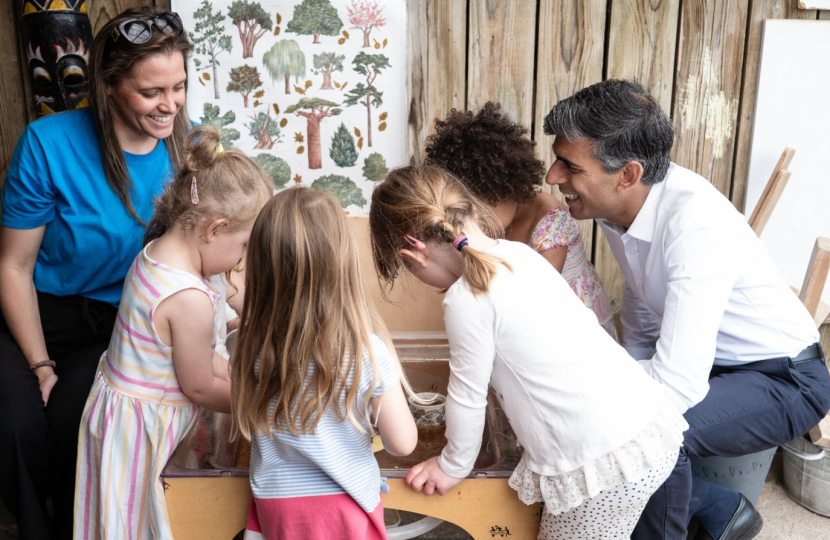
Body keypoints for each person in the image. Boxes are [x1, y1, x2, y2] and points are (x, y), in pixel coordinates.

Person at [543, 79, 830, 540]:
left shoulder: (694, 225)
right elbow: (641, 325)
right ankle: (718, 509)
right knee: (600, 411)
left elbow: (676, 384)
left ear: (628, 175)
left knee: (643, 434)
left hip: (786, 380)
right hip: (720, 365)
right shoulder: (624, 210)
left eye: (569, 166)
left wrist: (616, 419)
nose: (553, 177)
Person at [368, 164, 687, 539]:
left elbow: (467, 397)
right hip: (642, 424)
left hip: (602, 459)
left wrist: (451, 466)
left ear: (415, 253)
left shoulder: (466, 299)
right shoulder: (519, 254)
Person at [0, 7, 192, 539]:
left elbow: (216, 250)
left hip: (120, 322)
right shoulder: (46, 143)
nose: (170, 103)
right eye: (152, 91)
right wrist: (40, 366)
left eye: (178, 87)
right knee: (15, 425)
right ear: (109, 86)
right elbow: (13, 266)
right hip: (37, 312)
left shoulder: (188, 148)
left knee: (75, 420)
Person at [73, 125, 274, 539]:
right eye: (242, 246)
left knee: (118, 518)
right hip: (145, 433)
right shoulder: (189, 298)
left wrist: (236, 372)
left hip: (120, 417)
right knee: (142, 522)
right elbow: (199, 386)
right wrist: (262, 404)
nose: (241, 259)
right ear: (214, 229)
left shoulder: (157, 253)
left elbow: (199, 356)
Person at [231, 187, 418, 540]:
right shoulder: (366, 351)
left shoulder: (248, 346)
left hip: (277, 508)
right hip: (344, 509)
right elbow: (403, 443)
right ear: (343, 265)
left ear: (260, 267)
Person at [424, 102, 617, 339]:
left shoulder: (550, 221)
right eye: (466, 210)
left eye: (483, 209)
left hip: (570, 333)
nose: (475, 221)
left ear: (509, 186)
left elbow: (536, 302)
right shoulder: (480, 225)